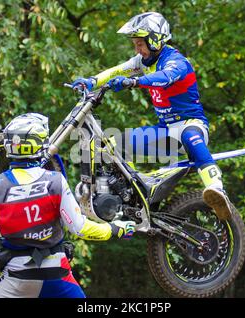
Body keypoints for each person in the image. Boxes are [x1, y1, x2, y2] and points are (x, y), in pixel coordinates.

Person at [71, 12, 232, 220]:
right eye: (135, 44)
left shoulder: (177, 62)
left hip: (191, 126)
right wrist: (92, 81)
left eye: (140, 43)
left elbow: (164, 78)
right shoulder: (142, 61)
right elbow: (116, 70)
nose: (137, 49)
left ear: (155, 40)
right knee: (113, 145)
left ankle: (217, 190)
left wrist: (134, 82)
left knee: (190, 136)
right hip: (165, 132)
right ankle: (135, 195)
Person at [0, 113, 136, 298]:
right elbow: (80, 228)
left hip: (18, 277)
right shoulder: (55, 181)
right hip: (57, 273)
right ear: (41, 143)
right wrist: (114, 229)